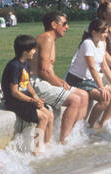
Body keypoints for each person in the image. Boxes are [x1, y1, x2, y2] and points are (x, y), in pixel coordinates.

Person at [30, 12, 90, 143]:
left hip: (42, 81)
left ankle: (75, 134)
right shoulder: (46, 38)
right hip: (34, 83)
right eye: (64, 24)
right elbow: (44, 71)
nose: (67, 27)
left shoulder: (51, 39)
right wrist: (61, 84)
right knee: (75, 99)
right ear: (53, 24)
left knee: (84, 95)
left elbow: (48, 71)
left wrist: (60, 82)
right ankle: (64, 140)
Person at [65, 18, 111, 130]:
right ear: (94, 32)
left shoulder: (101, 44)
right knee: (105, 98)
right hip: (78, 80)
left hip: (91, 80)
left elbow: (104, 66)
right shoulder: (87, 44)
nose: (106, 35)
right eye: (104, 32)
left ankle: (102, 123)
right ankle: (89, 127)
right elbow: (92, 68)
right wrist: (101, 88)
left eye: (106, 32)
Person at [2, 35, 53, 152]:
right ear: (25, 51)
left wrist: (36, 97)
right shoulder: (14, 66)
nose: (35, 52)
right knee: (43, 118)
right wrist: (32, 101)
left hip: (25, 99)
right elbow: (14, 92)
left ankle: (48, 145)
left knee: (50, 115)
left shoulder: (25, 64)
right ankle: (37, 150)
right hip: (14, 101)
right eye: (33, 49)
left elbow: (27, 83)